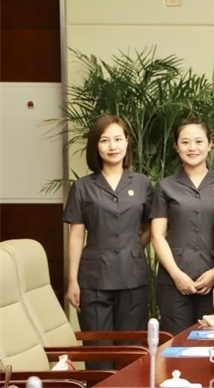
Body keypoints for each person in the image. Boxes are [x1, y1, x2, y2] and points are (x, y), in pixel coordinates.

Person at [63, 114, 152, 366]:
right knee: (98, 354)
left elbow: (152, 227)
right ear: (96, 145)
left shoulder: (142, 183)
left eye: (118, 139)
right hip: (94, 279)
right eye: (104, 140)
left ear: (127, 142)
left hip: (133, 277)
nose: (112, 146)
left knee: (131, 353)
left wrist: (133, 247)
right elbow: (76, 235)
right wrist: (72, 281)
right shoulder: (82, 186)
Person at [150, 118, 214, 335]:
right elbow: (157, 235)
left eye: (199, 141)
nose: (192, 148)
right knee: (177, 344)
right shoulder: (165, 187)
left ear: (209, 144)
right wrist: (176, 274)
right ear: (176, 146)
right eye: (185, 142)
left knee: (212, 342)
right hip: (173, 281)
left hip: (213, 281)